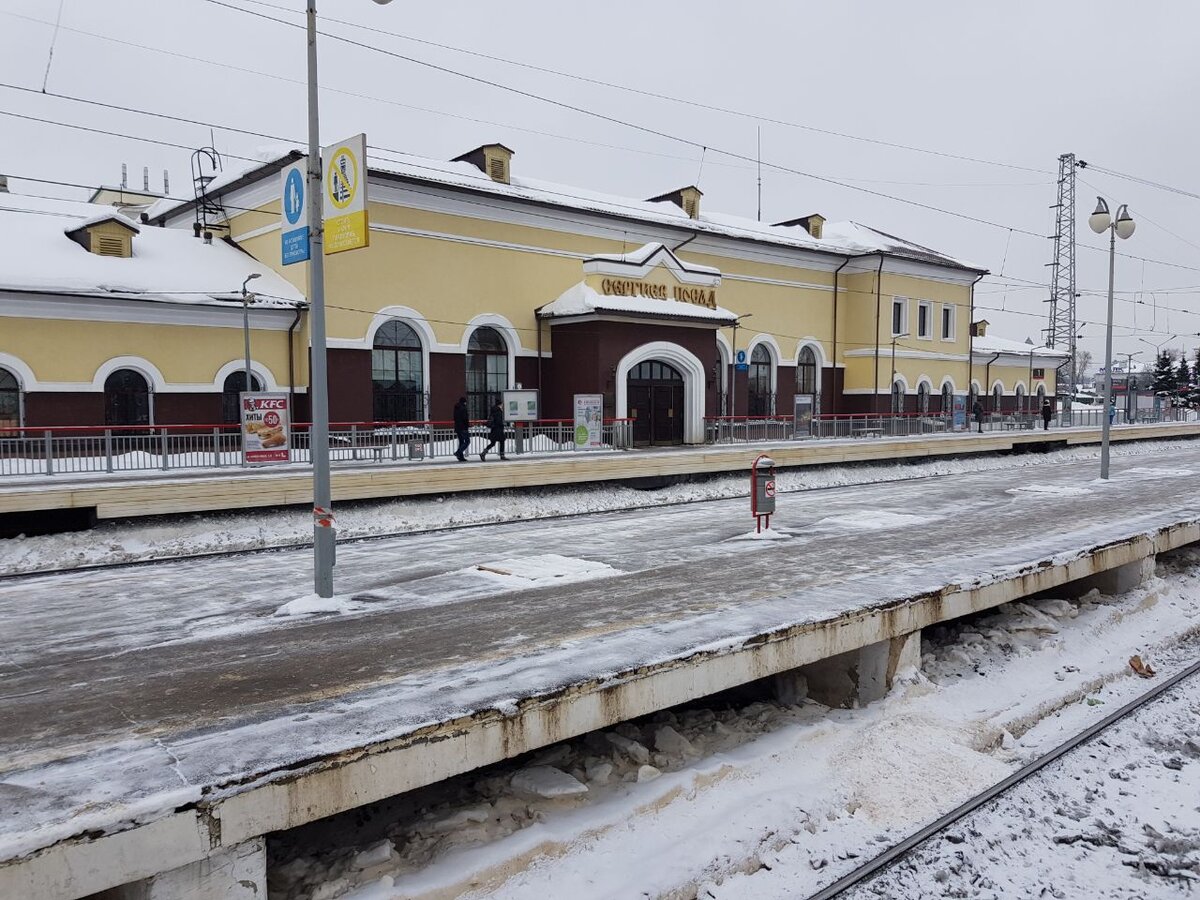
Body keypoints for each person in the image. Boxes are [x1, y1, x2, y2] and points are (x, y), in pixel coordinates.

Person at [452, 396, 470, 462]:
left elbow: (454, 418)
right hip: (463, 427)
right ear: (464, 402)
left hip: (457, 427)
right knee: (467, 441)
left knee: (461, 442)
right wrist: (468, 425)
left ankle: (461, 457)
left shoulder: (456, 408)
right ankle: (458, 452)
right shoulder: (463, 408)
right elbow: (465, 418)